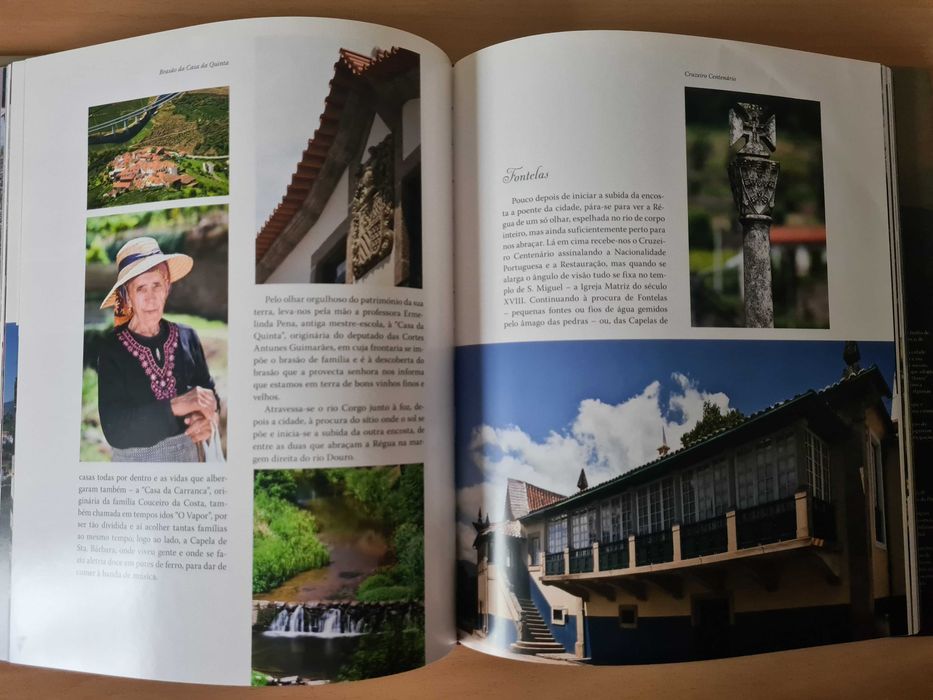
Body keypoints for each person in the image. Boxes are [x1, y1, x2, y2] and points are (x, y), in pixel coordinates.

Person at [97, 236, 219, 462]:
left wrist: (207, 420)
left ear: (167, 287)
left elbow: (209, 392)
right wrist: (177, 405)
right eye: (141, 288)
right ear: (127, 297)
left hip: (188, 463)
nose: (150, 298)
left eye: (156, 285)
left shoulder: (187, 337)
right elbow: (116, 429)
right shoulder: (111, 350)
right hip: (135, 474)